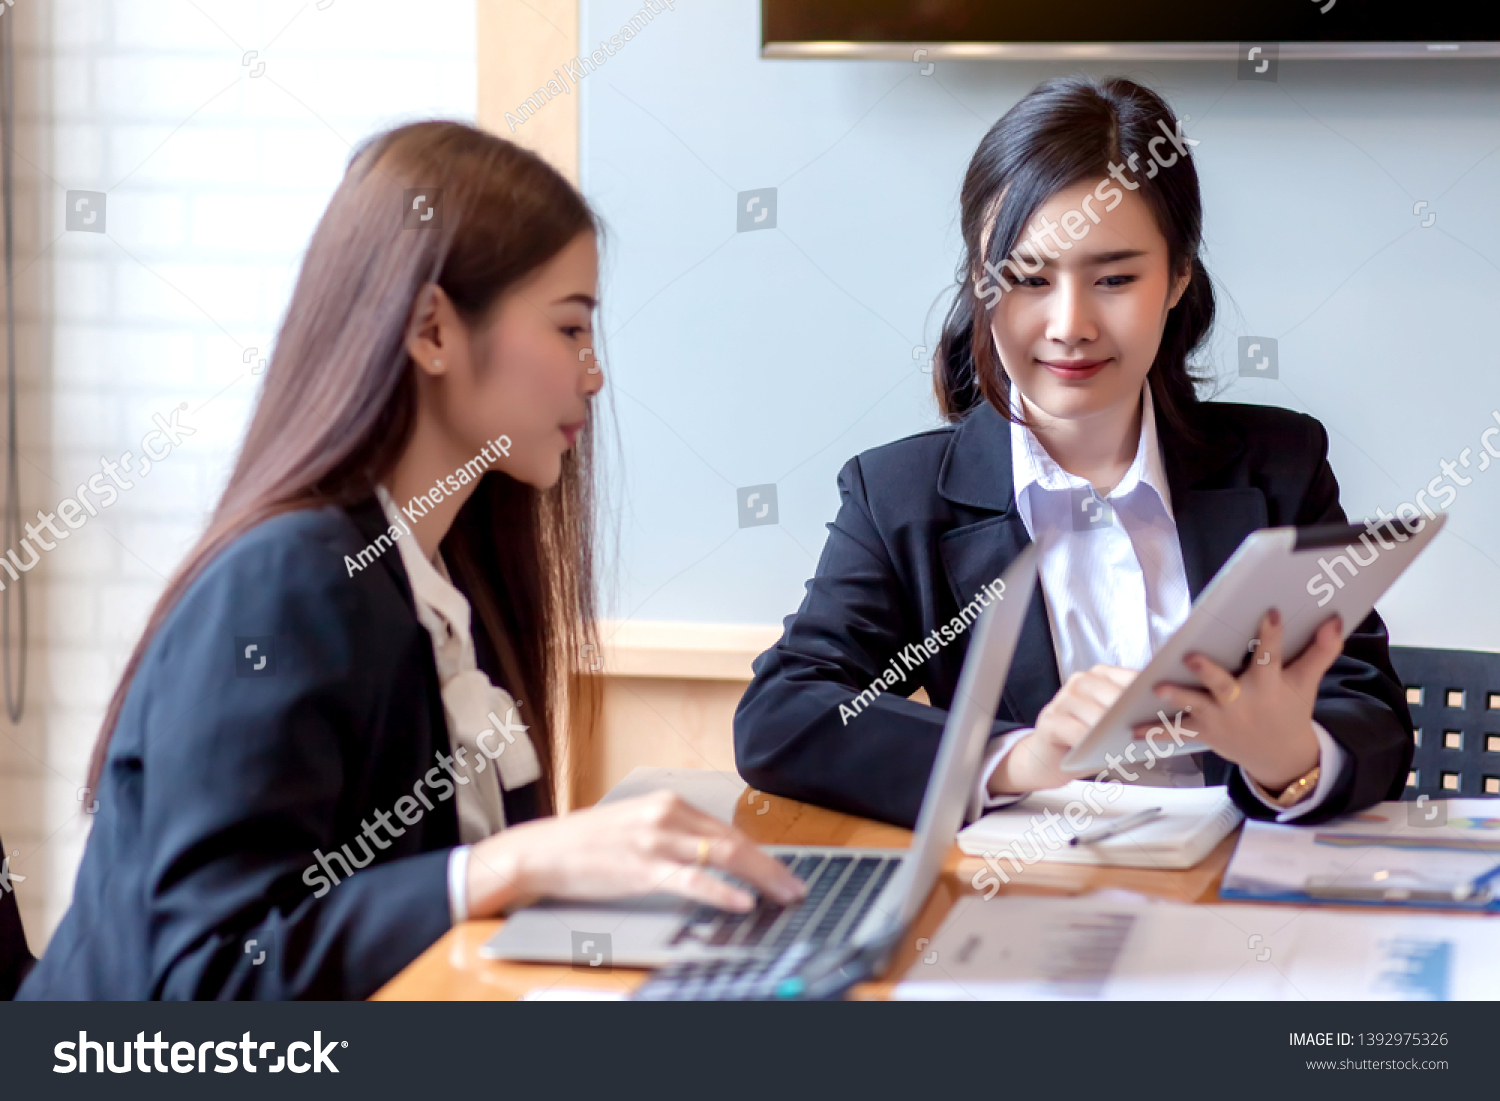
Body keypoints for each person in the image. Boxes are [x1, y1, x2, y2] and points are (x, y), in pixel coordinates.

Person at [20, 121, 804, 1001]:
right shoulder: (284, 585)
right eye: (570, 328)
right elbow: (208, 977)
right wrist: (502, 868)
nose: (594, 375)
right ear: (433, 328)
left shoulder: (444, 581)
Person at [734, 76, 1413, 830]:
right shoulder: (900, 497)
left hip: (1234, 895)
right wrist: (1023, 757)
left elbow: (1371, 715)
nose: (1070, 324)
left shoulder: (1280, 465)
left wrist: (1288, 755)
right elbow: (783, 717)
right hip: (1019, 906)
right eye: (1027, 279)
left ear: (1179, 276)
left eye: (1115, 278)